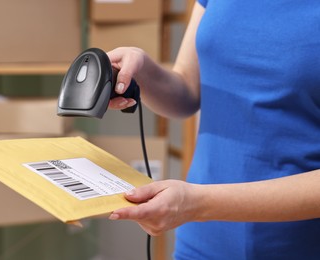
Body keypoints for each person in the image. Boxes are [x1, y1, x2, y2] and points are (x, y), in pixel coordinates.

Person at [106, 0, 320, 259]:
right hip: (200, 244)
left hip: (299, 248)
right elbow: (187, 90)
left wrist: (198, 203)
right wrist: (142, 72)